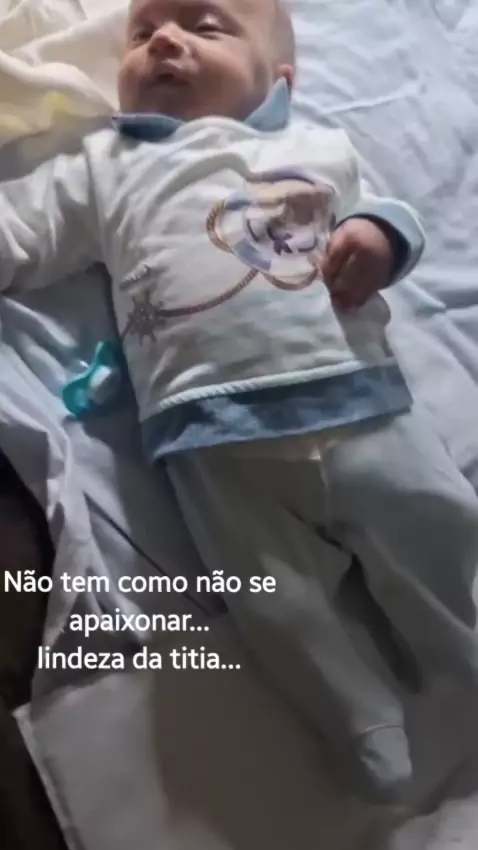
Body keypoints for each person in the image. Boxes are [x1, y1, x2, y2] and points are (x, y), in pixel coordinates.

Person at [1, 0, 478, 803]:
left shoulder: (313, 146)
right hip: (209, 434)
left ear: (279, 77)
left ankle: (464, 651)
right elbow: (23, 229)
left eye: (204, 26)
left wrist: (381, 240)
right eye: (143, 34)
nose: (164, 40)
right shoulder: (104, 162)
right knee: (275, 598)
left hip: (357, 401)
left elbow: (383, 212)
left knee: (438, 529)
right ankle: (359, 720)